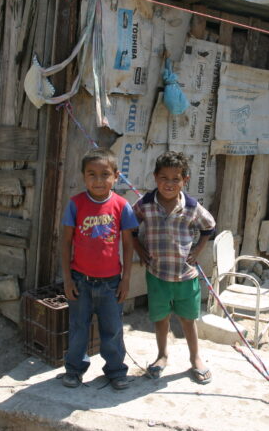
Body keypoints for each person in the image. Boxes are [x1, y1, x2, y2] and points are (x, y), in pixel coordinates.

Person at [132, 151, 216, 384]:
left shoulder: (191, 206)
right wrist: (139, 249)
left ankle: (195, 358)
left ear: (185, 180)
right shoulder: (145, 204)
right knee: (160, 318)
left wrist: (198, 250)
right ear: (155, 178)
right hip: (157, 274)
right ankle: (161, 356)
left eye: (175, 179)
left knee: (188, 319)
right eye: (164, 178)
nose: (169, 184)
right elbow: (129, 225)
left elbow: (209, 227)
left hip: (185, 276)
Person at [60, 148, 138, 390]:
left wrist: (126, 280)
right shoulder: (75, 204)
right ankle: (74, 370)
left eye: (105, 174)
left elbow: (128, 244)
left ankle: (115, 371)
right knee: (78, 328)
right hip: (80, 280)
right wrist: (67, 279)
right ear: (84, 177)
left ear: (116, 176)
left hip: (111, 282)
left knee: (113, 330)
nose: (98, 180)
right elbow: (65, 242)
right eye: (91, 174)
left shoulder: (122, 206)